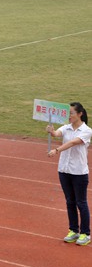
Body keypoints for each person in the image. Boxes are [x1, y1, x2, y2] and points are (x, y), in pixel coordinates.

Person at [47, 102, 92, 246]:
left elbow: (73, 142)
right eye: (68, 113)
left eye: (72, 113)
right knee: (70, 202)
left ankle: (85, 233)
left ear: (80, 114)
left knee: (81, 202)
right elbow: (57, 134)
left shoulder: (86, 130)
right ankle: (73, 230)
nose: (69, 116)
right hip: (64, 170)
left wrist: (57, 150)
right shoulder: (66, 127)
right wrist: (52, 131)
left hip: (78, 172)